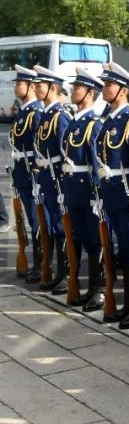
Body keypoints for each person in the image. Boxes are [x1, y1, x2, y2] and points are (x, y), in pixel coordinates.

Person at [96, 62, 129, 328]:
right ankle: (127, 303)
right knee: (120, 249)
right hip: (112, 195)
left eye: (109, 85)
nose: (105, 88)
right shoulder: (109, 120)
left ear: (123, 90)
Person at [60, 69, 106, 309]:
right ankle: (91, 287)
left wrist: (97, 195)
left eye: (77, 87)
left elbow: (97, 164)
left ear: (90, 93)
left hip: (88, 193)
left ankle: (99, 289)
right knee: (83, 238)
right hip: (73, 192)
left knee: (95, 241)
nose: (72, 90)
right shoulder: (75, 122)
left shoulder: (94, 124)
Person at [31, 65, 72, 294]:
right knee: (53, 227)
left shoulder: (61, 116)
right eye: (35, 86)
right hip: (46, 179)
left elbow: (64, 153)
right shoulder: (46, 114)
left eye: (40, 86)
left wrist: (62, 185)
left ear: (53, 88)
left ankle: (66, 274)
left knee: (61, 226)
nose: (36, 89)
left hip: (57, 181)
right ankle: (58, 272)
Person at [8, 65, 43, 283]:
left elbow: (40, 147)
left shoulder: (35, 112)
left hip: (33, 173)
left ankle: (42, 264)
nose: (15, 87)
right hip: (22, 171)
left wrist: (37, 176)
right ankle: (38, 264)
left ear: (30, 86)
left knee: (37, 220)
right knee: (30, 220)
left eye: (19, 83)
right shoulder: (24, 111)